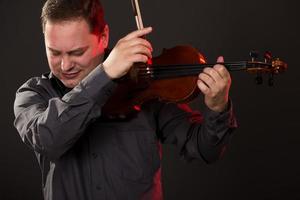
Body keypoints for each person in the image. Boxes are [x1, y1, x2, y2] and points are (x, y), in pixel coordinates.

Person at [13, 0, 237, 199]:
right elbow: (49, 140)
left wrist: (218, 108)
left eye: (77, 53)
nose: (65, 65)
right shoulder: (34, 94)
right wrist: (105, 75)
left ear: (104, 37)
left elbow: (204, 150)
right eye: (54, 52)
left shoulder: (141, 83)